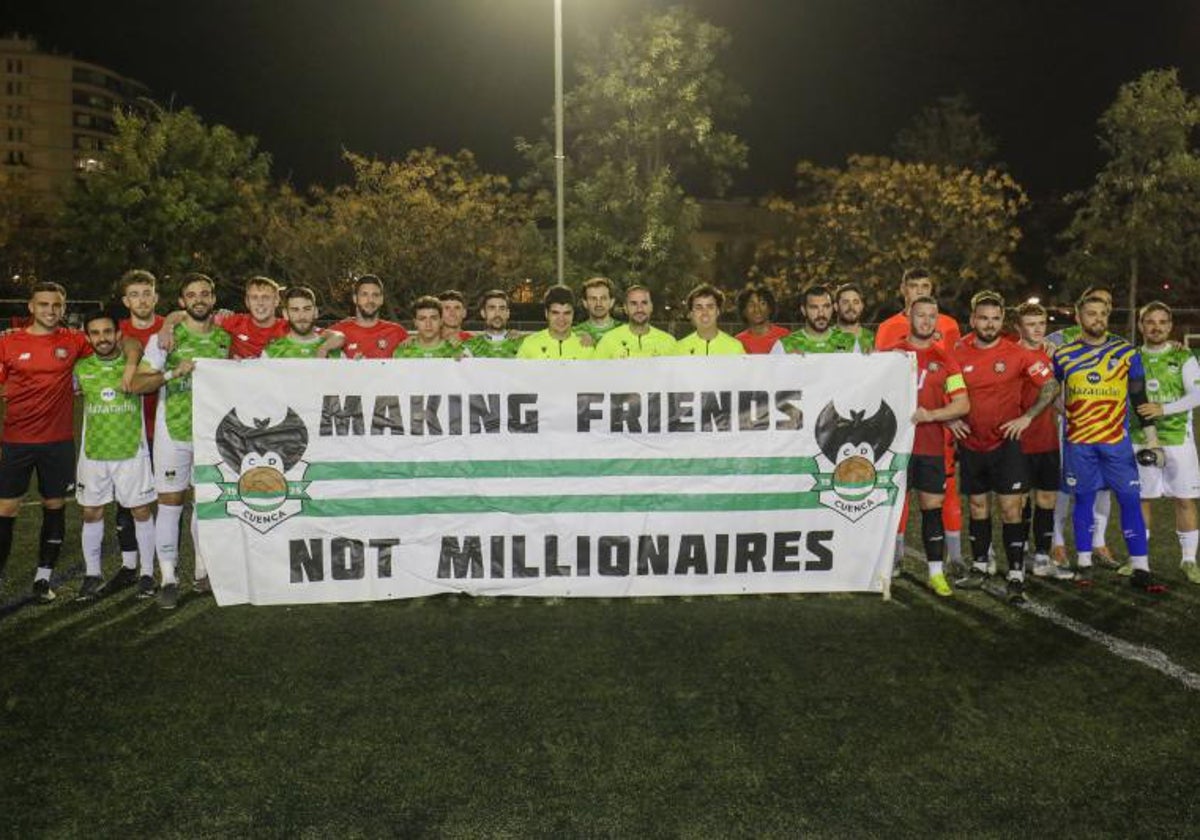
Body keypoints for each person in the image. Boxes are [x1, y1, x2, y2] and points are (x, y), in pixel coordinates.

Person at [130, 273, 232, 609]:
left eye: (205, 293)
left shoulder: (224, 339)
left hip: (211, 435)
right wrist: (174, 372)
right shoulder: (166, 338)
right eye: (192, 295)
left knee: (205, 503)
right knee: (171, 502)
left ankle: (202, 571)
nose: (199, 299)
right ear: (181, 301)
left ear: (213, 299)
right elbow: (140, 383)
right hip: (173, 432)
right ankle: (169, 577)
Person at [948, 292, 1059, 603]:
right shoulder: (957, 351)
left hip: (1006, 445)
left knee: (1012, 509)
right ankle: (980, 567)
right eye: (983, 318)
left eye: (995, 318)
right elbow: (941, 388)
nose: (989, 324)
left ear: (1001, 321)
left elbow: (1050, 385)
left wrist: (1027, 417)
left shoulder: (1016, 353)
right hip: (971, 443)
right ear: (972, 320)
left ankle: (1015, 574)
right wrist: (949, 421)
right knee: (977, 507)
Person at [1052, 293, 1164, 592]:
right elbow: (1052, 392)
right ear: (1078, 318)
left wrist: (1153, 441)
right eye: (1091, 314)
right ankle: (1085, 562)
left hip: (1117, 444)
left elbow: (1139, 398)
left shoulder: (1127, 354)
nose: (1097, 319)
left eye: (1102, 313)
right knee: (1084, 500)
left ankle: (1141, 565)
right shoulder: (1063, 355)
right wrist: (1066, 412)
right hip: (1079, 444)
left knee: (1129, 500)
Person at [0, 283, 97, 601]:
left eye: (56, 305)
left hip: (58, 441)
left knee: (54, 506)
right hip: (16, 441)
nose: (50, 311)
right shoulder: (9, 343)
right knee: (7, 508)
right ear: (30, 307)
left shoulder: (74, 341)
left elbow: (115, 341)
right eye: (43, 304)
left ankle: (44, 578)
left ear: (64, 307)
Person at [874, 266, 964, 570]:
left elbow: (953, 372)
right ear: (903, 290)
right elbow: (881, 378)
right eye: (914, 286)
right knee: (897, 494)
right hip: (900, 429)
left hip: (938, 426)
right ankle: (895, 555)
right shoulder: (888, 329)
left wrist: (947, 414)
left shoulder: (949, 326)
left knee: (943, 491)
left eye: (926, 285)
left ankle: (955, 556)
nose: (920, 290)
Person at [73, 311, 157, 600]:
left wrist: (131, 362)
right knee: (91, 512)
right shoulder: (81, 368)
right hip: (94, 454)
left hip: (130, 452)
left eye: (108, 332)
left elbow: (136, 345)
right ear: (87, 338)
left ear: (117, 334)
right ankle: (92, 574)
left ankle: (147, 573)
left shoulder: (134, 365)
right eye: (95, 333)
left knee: (141, 511)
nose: (102, 338)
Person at [889, 296, 970, 596]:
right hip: (895, 447)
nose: (926, 321)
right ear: (909, 315)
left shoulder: (946, 359)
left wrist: (933, 415)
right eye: (920, 315)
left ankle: (936, 573)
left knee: (931, 507)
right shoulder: (891, 355)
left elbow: (963, 403)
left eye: (931, 316)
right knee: (891, 507)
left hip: (930, 445)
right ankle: (887, 564)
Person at [1129, 301, 1200, 583]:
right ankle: (1140, 562)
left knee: (1184, 499)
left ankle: (1189, 560)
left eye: (1161, 322)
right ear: (1140, 326)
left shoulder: (1184, 357)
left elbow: (1197, 396)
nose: (1156, 327)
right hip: (1140, 440)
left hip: (1177, 440)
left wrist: (1163, 410)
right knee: (1142, 499)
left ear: (1170, 326)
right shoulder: (1132, 357)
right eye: (1150, 322)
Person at [1046, 285, 1116, 567]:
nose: (1100, 314)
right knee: (1065, 485)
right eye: (1094, 307)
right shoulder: (1057, 339)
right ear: (1079, 313)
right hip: (1069, 425)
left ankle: (1099, 542)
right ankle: (1057, 543)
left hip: (1105, 427)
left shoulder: (1117, 343)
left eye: (1107, 306)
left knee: (1102, 487)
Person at [1013, 302, 1075, 581]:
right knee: (1019, 501)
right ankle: (1021, 554)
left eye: (1041, 324)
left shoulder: (1053, 356)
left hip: (1048, 438)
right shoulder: (1011, 355)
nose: (1037, 329)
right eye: (1030, 324)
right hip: (1018, 440)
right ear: (1019, 327)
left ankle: (1041, 557)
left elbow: (1056, 398)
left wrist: (1075, 416)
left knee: (1047, 498)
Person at [112, 270, 165, 587]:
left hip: (166, 428)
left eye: (147, 293)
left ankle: (164, 563)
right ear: (125, 300)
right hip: (127, 430)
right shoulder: (114, 332)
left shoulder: (173, 328)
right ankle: (129, 565)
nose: (142, 300)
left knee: (169, 499)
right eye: (135, 294)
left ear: (156, 297)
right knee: (126, 501)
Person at [159, 276, 289, 360]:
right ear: (247, 302)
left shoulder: (289, 328)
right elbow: (188, 315)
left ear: (277, 300)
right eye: (254, 297)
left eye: (266, 297)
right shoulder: (233, 322)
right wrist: (167, 327)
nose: (260, 303)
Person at [324, 275, 409, 359]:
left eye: (375, 295)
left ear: (381, 299)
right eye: (364, 295)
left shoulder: (397, 332)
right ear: (355, 298)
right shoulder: (338, 332)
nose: (370, 300)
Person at [771, 284, 860, 354]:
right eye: (814, 307)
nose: (821, 313)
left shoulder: (849, 341)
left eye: (826, 307)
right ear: (803, 310)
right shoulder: (785, 345)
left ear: (833, 308)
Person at [594, 285, 677, 358]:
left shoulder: (668, 342)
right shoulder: (608, 341)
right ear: (625, 308)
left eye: (644, 303)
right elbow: (596, 373)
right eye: (634, 303)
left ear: (651, 307)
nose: (639, 309)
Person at [517, 285, 594, 359]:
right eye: (555, 313)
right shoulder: (529, 344)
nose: (561, 318)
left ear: (573, 314)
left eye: (567, 313)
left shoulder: (586, 346)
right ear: (546, 313)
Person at [673, 284, 745, 356]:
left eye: (710, 307)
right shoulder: (679, 349)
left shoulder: (735, 347)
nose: (705, 312)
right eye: (699, 308)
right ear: (691, 314)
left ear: (718, 311)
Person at [262, 286, 330, 358]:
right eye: (295, 310)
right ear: (285, 314)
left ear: (316, 312)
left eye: (307, 309)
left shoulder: (334, 352)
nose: (302, 316)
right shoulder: (271, 353)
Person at [461, 290, 524, 358]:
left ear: (507, 313)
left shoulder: (521, 344)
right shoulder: (472, 345)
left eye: (502, 308)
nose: (497, 313)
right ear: (483, 313)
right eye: (492, 308)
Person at [394, 296, 463, 358]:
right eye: (422, 319)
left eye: (433, 318)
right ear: (415, 322)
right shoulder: (402, 352)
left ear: (441, 321)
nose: (428, 324)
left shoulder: (456, 350)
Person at [734, 284, 790, 354]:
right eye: (751, 305)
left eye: (762, 303)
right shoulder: (737, 342)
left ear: (770, 308)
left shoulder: (785, 336)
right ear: (744, 311)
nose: (757, 309)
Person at [574, 276, 621, 346]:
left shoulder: (624, 330)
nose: (598, 303)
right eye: (593, 299)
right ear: (585, 303)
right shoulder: (575, 333)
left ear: (612, 302)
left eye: (603, 298)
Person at [834, 282, 875, 353]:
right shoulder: (825, 338)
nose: (851, 307)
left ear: (862, 306)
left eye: (855, 302)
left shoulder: (873, 338)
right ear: (836, 306)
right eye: (845, 302)